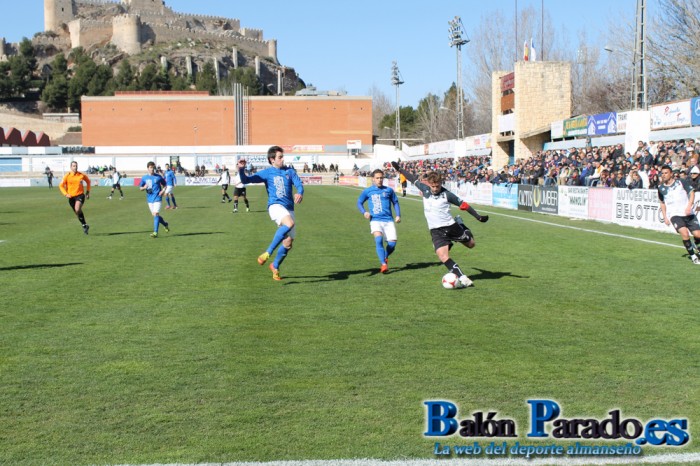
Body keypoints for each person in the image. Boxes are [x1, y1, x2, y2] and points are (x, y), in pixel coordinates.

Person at [391, 161, 488, 287]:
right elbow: (411, 178)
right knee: (442, 256)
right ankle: (463, 277)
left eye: (437, 186)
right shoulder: (425, 189)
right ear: (429, 184)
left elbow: (464, 205)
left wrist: (478, 217)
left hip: (451, 226)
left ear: (441, 183)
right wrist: (399, 169)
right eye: (433, 186)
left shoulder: (447, 195)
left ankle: (461, 224)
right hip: (436, 230)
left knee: (471, 244)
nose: (435, 189)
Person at [237, 146, 304, 281]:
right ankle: (267, 253)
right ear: (272, 159)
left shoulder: (289, 172)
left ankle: (275, 266)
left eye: (282, 156)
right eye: (280, 157)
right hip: (275, 206)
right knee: (289, 223)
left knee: (288, 243)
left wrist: (300, 192)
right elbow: (245, 180)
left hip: (289, 208)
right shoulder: (267, 173)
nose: (282, 159)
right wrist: (241, 169)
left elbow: (299, 184)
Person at [357, 169, 401, 273]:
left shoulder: (389, 190)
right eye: (377, 178)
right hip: (375, 220)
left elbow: (395, 202)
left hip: (388, 220)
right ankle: (383, 264)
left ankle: (385, 256)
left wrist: (398, 215)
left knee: (392, 245)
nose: (380, 180)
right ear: (373, 179)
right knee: (378, 240)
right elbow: (359, 202)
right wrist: (364, 212)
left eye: (381, 178)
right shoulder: (368, 191)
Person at [657, 165, 700, 264]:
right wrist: (665, 217)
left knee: (698, 234)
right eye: (662, 173)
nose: (664, 175)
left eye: (666, 173)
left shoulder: (681, 182)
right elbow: (662, 203)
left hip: (688, 213)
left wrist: (689, 206)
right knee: (685, 234)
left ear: (671, 174)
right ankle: (693, 256)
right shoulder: (660, 188)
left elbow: (692, 192)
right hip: (675, 215)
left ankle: (697, 245)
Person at [59, 161, 91, 235]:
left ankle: (84, 225)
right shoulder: (67, 176)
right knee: (77, 212)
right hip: (71, 197)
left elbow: (88, 182)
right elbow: (60, 186)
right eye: (73, 166)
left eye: (76, 166)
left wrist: (88, 192)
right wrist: (65, 194)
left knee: (77, 208)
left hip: (80, 195)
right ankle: (85, 225)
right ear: (71, 167)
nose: (75, 167)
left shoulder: (81, 175)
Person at [139, 161, 170, 238]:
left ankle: (155, 232)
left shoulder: (158, 177)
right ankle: (165, 224)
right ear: (148, 168)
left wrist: (162, 191)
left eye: (153, 168)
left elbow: (165, 185)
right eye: (151, 167)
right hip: (149, 199)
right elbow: (140, 188)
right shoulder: (144, 178)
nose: (152, 169)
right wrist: (144, 187)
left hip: (157, 198)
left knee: (156, 214)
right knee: (155, 215)